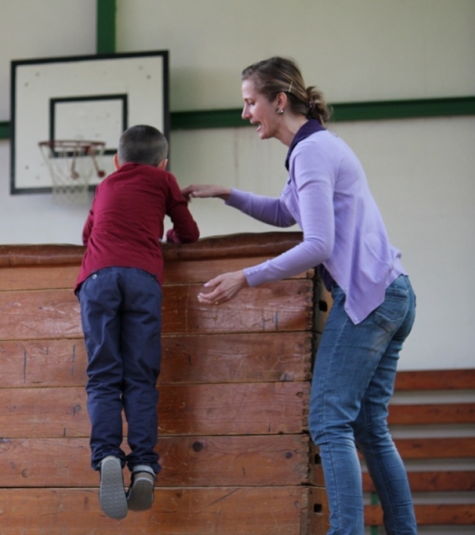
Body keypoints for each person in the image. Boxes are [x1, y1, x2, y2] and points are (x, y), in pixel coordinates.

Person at [182, 56, 417, 535]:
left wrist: (244, 277)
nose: (246, 113)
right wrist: (226, 192)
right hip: (394, 293)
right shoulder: (313, 148)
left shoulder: (312, 153)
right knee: (370, 428)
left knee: (329, 421)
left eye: (251, 102)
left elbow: (318, 245)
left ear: (279, 101)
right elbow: (286, 211)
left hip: (369, 301)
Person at [75, 124, 200, 520]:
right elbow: (189, 234)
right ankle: (144, 464)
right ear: (163, 162)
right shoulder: (165, 180)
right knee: (141, 378)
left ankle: (108, 456)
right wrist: (168, 233)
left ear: (116, 160)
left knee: (103, 377)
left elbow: (86, 234)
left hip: (98, 279)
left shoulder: (106, 184)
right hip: (143, 279)